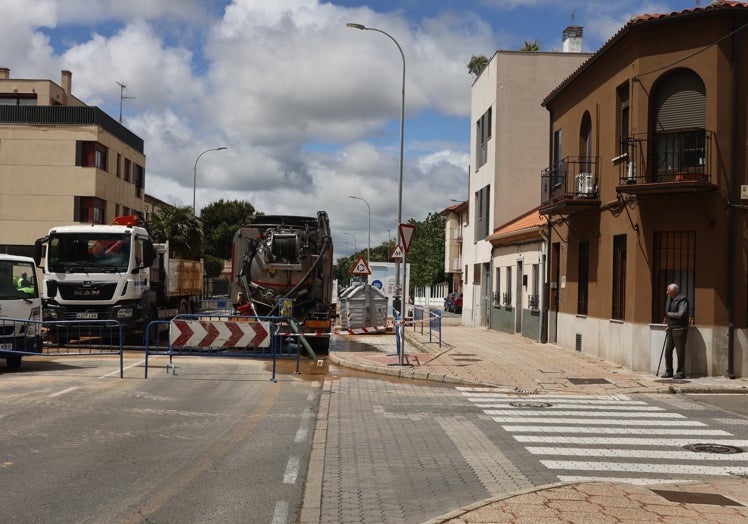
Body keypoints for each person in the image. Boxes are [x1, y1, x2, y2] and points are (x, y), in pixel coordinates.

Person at [662, 283, 689, 379]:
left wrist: (669, 314)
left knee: (680, 352)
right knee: (668, 351)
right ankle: (669, 371)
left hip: (680, 329)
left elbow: (681, 314)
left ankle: (680, 372)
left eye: (668, 291)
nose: (667, 293)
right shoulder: (670, 299)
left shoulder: (683, 300)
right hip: (671, 329)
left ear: (674, 292)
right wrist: (668, 325)